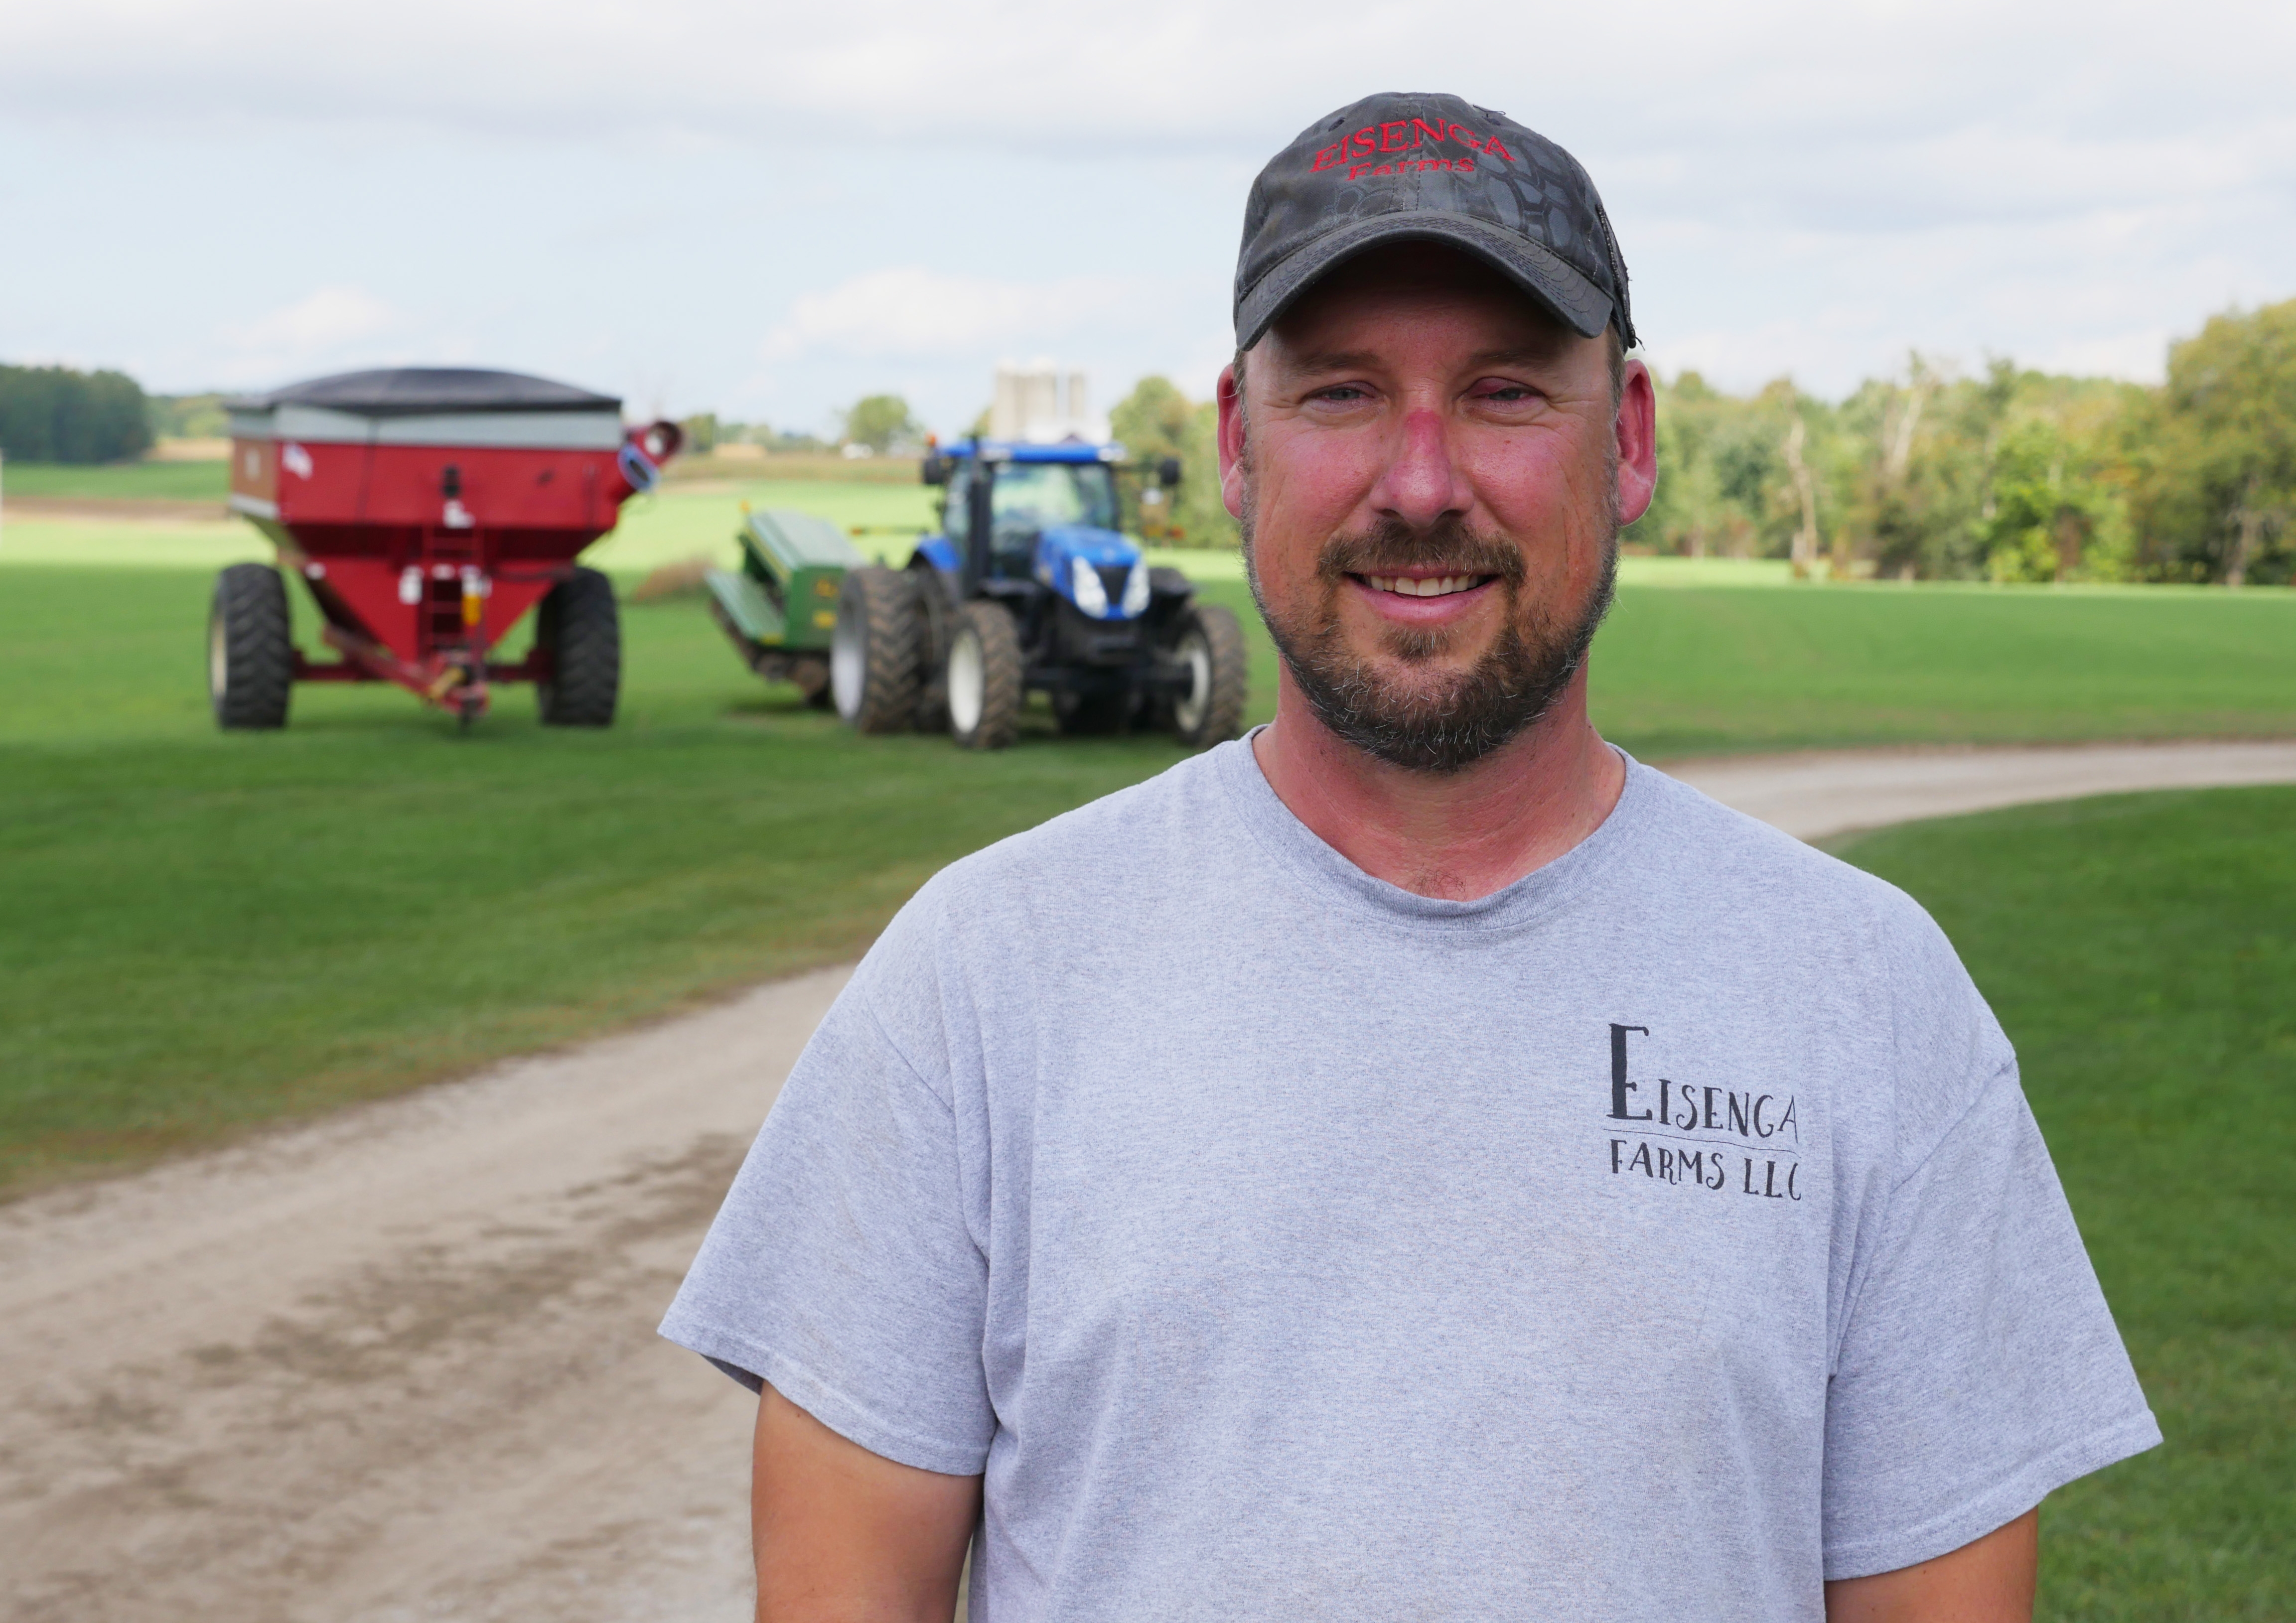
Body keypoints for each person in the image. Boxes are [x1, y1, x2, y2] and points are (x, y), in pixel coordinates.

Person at [663, 92, 2159, 1623]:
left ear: (1628, 441)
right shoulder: (984, 978)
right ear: (1240, 446)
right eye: (1343, 395)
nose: (1424, 482)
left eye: (1507, 392)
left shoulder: (1868, 998)